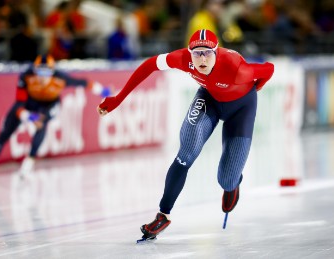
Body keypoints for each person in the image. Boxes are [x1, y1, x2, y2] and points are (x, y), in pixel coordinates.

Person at [96, 29, 274, 240]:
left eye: (207, 53)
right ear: (189, 54)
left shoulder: (237, 69)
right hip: (210, 100)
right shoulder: (182, 59)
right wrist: (118, 99)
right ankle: (162, 215)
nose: (201, 59)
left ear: (217, 53)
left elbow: (268, 69)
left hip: (241, 108)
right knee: (186, 153)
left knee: (226, 179)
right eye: (196, 53)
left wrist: (257, 87)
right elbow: (149, 65)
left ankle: (233, 184)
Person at [0, 54, 110, 176]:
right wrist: (27, 115)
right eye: (40, 72)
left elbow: (84, 83)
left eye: (46, 73)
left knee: (42, 122)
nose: (42, 77)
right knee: (8, 128)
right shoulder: (26, 76)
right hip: (30, 102)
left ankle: (29, 160)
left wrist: (103, 91)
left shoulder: (60, 78)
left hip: (50, 105)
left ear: (52, 72)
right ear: (34, 70)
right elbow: (19, 104)